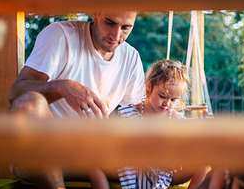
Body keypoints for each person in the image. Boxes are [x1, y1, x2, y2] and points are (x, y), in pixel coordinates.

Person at [9, 11, 146, 189]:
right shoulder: (60, 35)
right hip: (42, 155)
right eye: (110, 23)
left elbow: (134, 116)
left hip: (92, 157)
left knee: (180, 166)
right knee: (30, 103)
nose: (116, 35)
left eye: (126, 28)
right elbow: (16, 93)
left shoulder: (131, 57)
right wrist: (62, 87)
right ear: (96, 13)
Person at [113, 59, 208, 189]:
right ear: (148, 88)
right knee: (96, 160)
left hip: (162, 173)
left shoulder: (175, 120)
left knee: (206, 159)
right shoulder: (129, 113)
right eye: (162, 96)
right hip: (129, 168)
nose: (167, 103)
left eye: (173, 99)